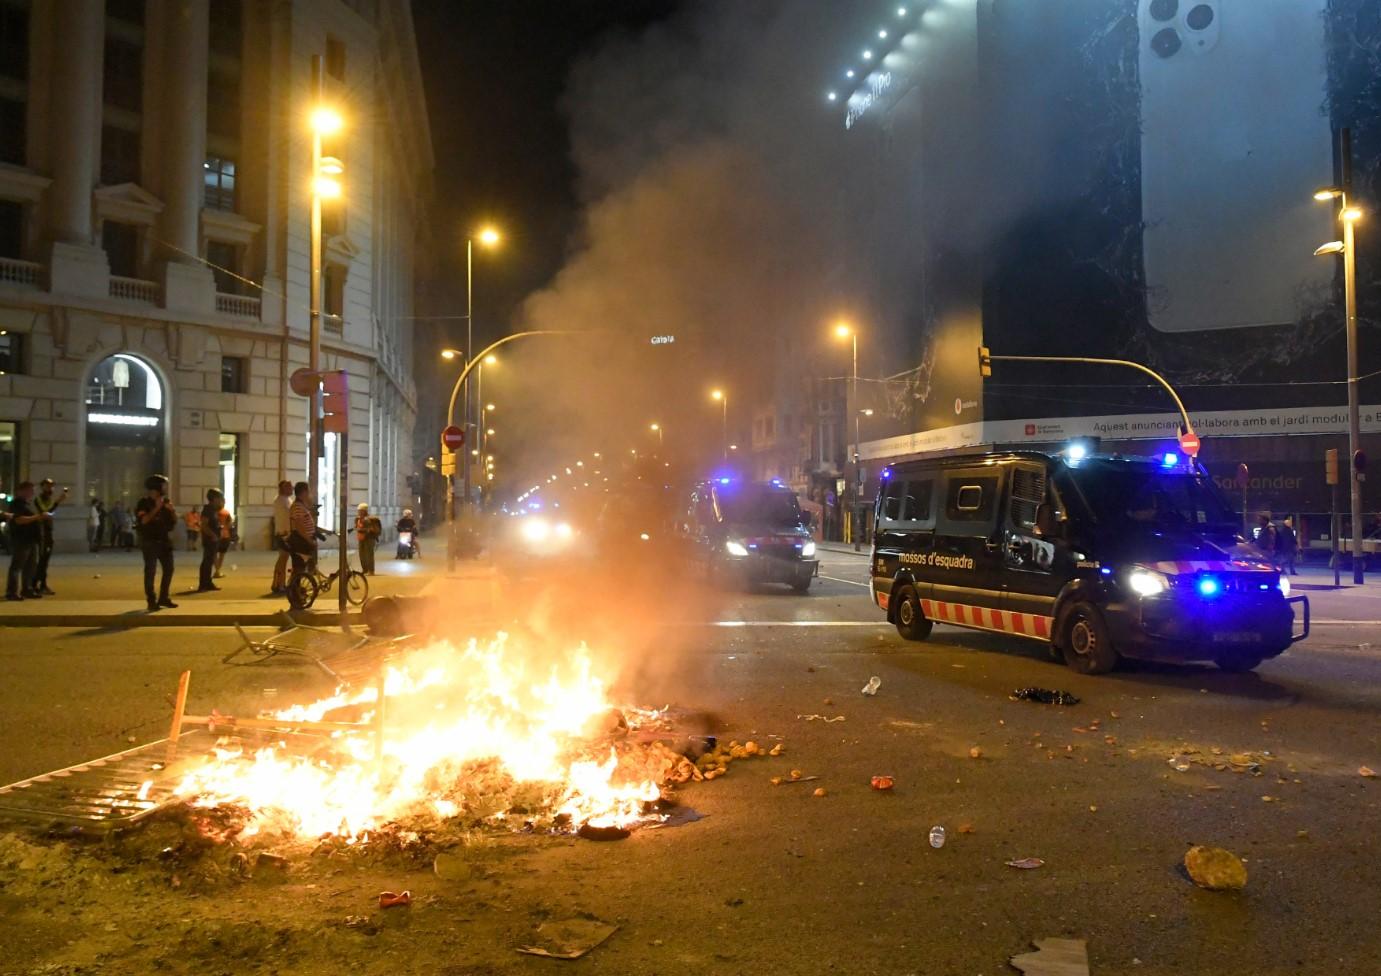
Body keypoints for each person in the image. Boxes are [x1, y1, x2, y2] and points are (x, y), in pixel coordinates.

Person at [135, 475, 178, 611]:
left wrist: (172, 512)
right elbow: (144, 520)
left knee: (169, 569)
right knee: (150, 571)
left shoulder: (166, 502)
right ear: (156, 487)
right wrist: (157, 508)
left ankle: (164, 597)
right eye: (164, 485)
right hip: (149, 541)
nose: (166, 488)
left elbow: (173, 523)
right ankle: (151, 600)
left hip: (164, 541)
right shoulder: (144, 503)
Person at [5, 481, 50, 600]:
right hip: (22, 539)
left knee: (30, 566)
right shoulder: (17, 504)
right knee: (17, 566)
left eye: (32, 490)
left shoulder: (28, 504)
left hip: (31, 539)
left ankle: (27, 589)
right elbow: (19, 520)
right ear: (21, 491)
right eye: (30, 490)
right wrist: (37, 517)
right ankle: (11, 592)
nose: (32, 493)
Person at [33, 479, 68, 596]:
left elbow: (49, 514)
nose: (50, 489)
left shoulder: (48, 500)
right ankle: (34, 585)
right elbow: (45, 513)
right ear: (42, 487)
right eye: (47, 486)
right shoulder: (38, 499)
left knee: (45, 560)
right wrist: (58, 502)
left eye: (52, 486)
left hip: (48, 532)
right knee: (41, 560)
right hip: (41, 533)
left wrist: (55, 504)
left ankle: (42, 584)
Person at [287, 481, 318, 578]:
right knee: (299, 568)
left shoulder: (301, 505)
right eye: (308, 491)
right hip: (301, 542)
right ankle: (296, 590)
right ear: (303, 492)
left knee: (301, 567)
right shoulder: (297, 506)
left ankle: (296, 589)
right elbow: (299, 526)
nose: (309, 494)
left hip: (303, 540)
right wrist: (309, 540)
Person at [271, 479, 293, 595]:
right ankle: (279, 584)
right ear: (283, 488)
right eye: (289, 487)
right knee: (283, 559)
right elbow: (288, 516)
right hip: (284, 533)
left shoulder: (285, 500)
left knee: (282, 559)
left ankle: (277, 583)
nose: (292, 488)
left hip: (282, 533)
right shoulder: (282, 501)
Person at [197, 489, 223, 592]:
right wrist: (213, 535)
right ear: (214, 498)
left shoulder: (213, 509)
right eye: (219, 498)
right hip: (209, 539)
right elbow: (204, 525)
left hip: (213, 539)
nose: (220, 500)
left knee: (210, 561)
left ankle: (208, 582)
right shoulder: (208, 509)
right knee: (207, 562)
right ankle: (203, 584)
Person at [355, 502, 382, 574]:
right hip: (361, 538)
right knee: (361, 554)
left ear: (365, 511)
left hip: (369, 538)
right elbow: (356, 527)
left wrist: (366, 530)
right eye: (359, 511)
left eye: (361, 511)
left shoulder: (371, 519)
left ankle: (371, 570)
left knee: (369, 554)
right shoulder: (358, 519)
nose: (359, 512)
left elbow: (374, 529)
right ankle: (365, 569)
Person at [213, 501, 234, 578]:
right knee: (222, 554)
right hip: (225, 535)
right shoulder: (226, 512)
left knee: (215, 554)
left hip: (216, 535)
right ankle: (217, 570)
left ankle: (217, 570)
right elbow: (230, 523)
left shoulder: (213, 512)